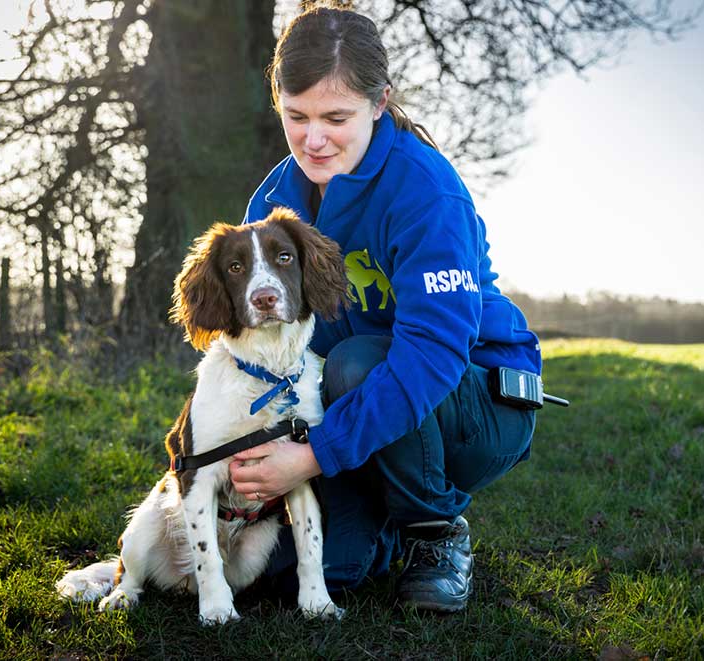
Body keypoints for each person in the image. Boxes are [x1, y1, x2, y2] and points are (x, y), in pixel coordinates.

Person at [228, 5, 541, 613]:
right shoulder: (273, 200)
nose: (313, 139)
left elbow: (431, 359)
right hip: (356, 403)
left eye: (336, 117)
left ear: (379, 103)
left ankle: (435, 531)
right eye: (297, 117)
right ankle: (382, 519)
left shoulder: (427, 191)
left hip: (477, 403)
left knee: (355, 363)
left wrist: (314, 456)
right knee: (299, 577)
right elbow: (260, 346)